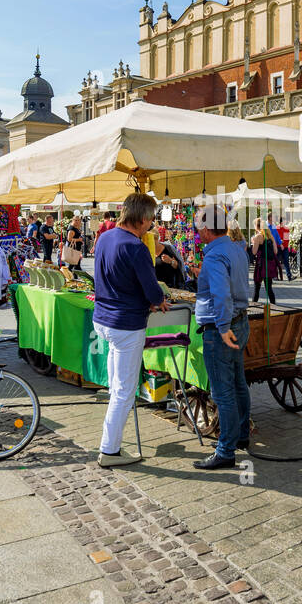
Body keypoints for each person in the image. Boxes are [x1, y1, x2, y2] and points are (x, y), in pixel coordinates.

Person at [92, 193, 168, 468]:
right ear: (144, 218)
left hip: (103, 319)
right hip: (125, 324)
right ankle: (109, 450)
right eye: (151, 220)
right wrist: (159, 300)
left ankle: (112, 439)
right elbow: (152, 291)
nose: (152, 225)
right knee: (125, 390)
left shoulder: (105, 237)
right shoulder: (135, 247)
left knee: (117, 387)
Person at [191, 203, 252, 470]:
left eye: (198, 226)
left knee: (223, 391)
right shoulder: (236, 248)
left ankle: (226, 450)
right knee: (238, 382)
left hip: (221, 329)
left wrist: (224, 327)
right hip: (241, 321)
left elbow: (221, 294)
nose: (196, 231)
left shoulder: (215, 255)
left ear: (206, 229)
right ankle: (241, 436)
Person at [250, 217, 277, 304]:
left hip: (261, 264)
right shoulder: (271, 237)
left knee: (257, 287)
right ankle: (274, 306)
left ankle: (253, 306)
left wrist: (253, 243)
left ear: (256, 227)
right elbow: (275, 251)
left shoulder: (258, 237)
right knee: (269, 288)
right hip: (270, 264)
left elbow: (254, 252)